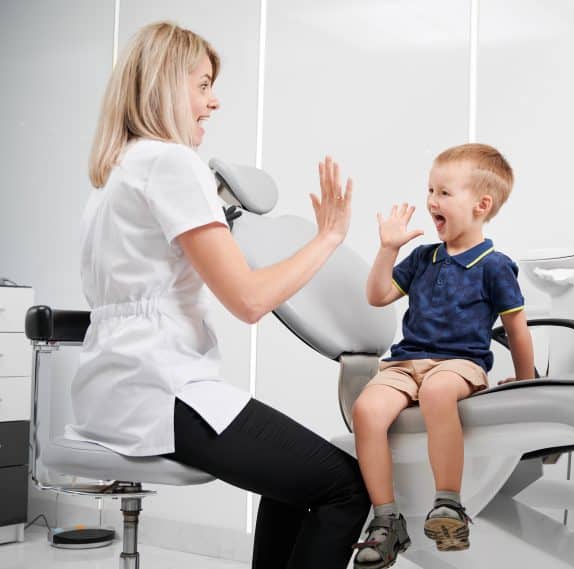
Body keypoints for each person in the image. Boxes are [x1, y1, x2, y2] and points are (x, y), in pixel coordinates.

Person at [69, 21, 369, 569]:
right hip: (160, 388)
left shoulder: (117, 172)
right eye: (203, 85)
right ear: (166, 84)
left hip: (112, 388)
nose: (214, 101)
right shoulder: (172, 163)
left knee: (293, 483)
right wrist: (328, 238)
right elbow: (250, 300)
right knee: (346, 487)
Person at [351, 143, 535, 568]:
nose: (432, 200)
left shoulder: (494, 265)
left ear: (481, 205)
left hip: (460, 363)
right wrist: (387, 249)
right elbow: (377, 295)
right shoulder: (422, 258)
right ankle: (386, 520)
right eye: (430, 190)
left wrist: (525, 382)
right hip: (404, 363)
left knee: (437, 392)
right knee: (366, 410)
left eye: (444, 193)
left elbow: (516, 330)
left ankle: (448, 504)